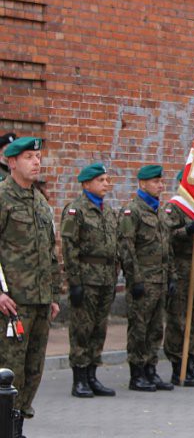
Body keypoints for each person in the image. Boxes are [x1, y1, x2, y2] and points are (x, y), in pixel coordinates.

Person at [0, 137, 60, 438]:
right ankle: (4, 433)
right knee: (10, 370)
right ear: (12, 162)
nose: (36, 162)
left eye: (38, 156)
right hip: (12, 303)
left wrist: (53, 295)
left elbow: (49, 251)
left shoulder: (40, 201)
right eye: (28, 157)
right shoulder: (3, 197)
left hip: (39, 301)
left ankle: (18, 429)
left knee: (33, 369)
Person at [61, 163, 119, 398]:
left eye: (107, 179)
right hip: (86, 278)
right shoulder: (76, 210)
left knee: (99, 328)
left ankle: (93, 375)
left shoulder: (107, 211)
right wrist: (74, 283)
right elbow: (69, 247)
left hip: (105, 279)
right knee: (81, 330)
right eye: (101, 180)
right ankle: (80, 378)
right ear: (86, 184)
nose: (107, 184)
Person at [118, 164, 174, 392]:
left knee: (155, 329)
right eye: (155, 182)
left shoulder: (159, 211)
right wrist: (135, 279)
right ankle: (137, 373)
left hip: (159, 279)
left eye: (161, 182)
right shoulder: (133, 211)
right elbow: (126, 247)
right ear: (142, 183)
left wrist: (170, 277)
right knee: (139, 329)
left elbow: (166, 247)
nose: (160, 186)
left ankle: (151, 369)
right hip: (143, 280)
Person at [164, 172, 194, 387]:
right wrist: (187, 230)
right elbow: (167, 235)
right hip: (184, 268)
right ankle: (178, 365)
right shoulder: (175, 207)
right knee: (180, 320)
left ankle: (190, 360)